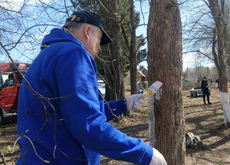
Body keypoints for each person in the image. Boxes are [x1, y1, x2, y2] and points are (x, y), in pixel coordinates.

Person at [17, 10, 167, 165]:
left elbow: (76, 113)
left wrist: (124, 104)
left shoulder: (46, 57)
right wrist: (144, 153)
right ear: (87, 32)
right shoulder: (74, 54)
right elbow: (88, 127)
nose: (100, 48)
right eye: (99, 39)